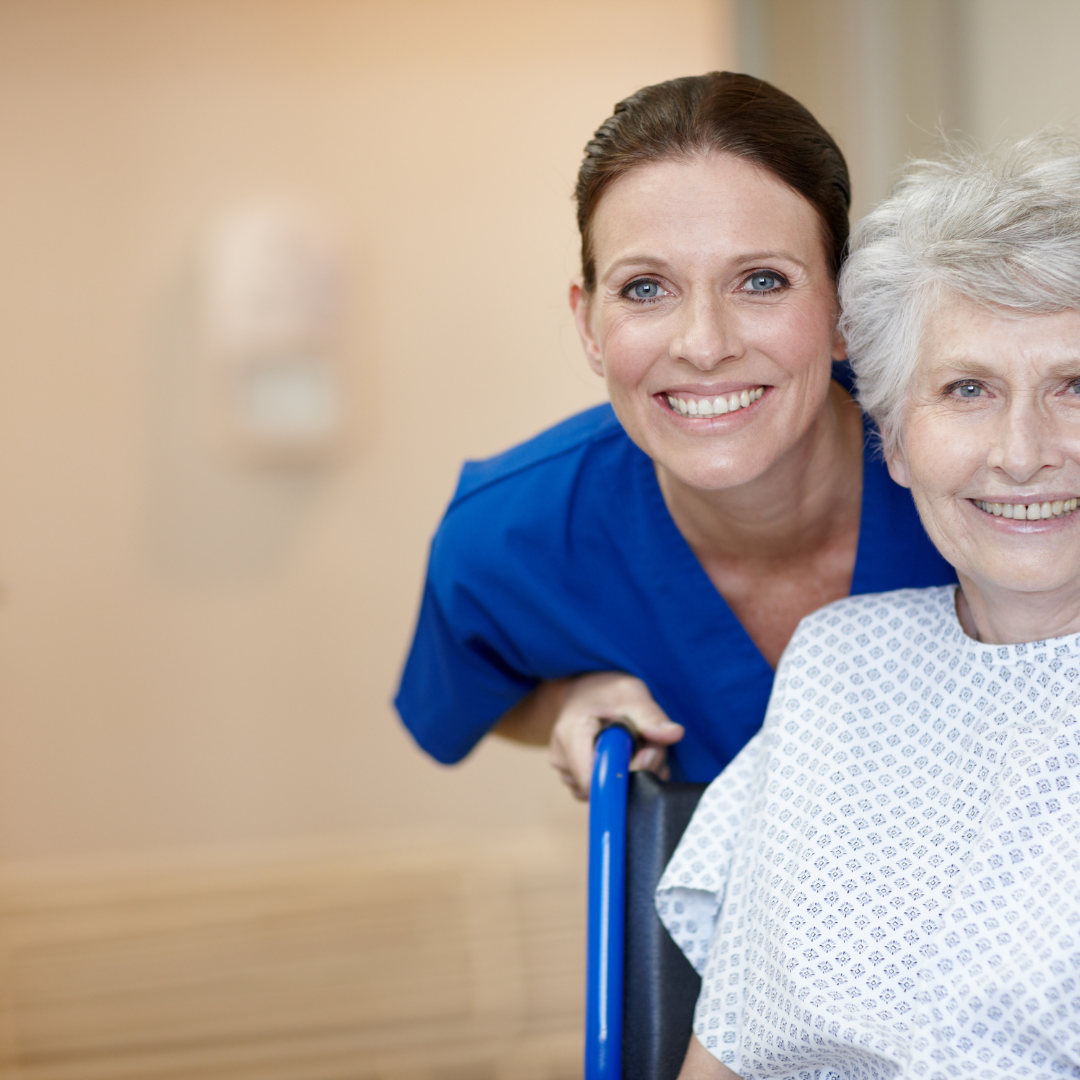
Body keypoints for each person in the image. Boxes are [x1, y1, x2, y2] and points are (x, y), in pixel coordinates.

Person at [395, 73, 954, 797]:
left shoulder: (983, 479)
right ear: (588, 324)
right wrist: (569, 701)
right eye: (645, 288)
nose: (703, 344)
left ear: (846, 310)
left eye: (761, 281)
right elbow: (489, 702)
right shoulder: (507, 539)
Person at [657, 131, 1080, 1080]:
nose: (1022, 451)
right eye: (966, 389)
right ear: (893, 440)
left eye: (1076, 386)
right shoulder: (840, 665)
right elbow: (726, 1052)